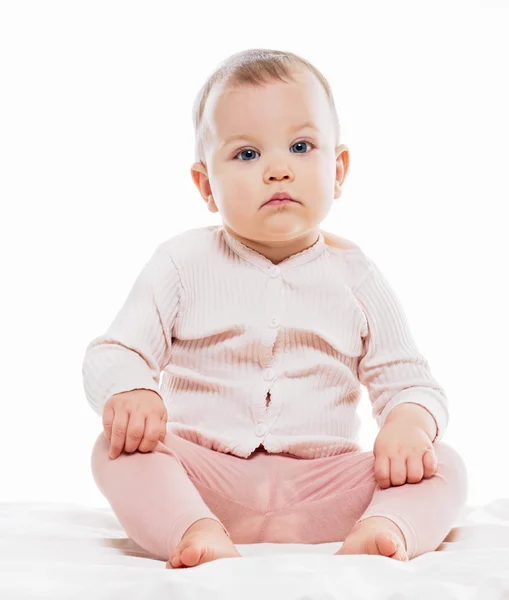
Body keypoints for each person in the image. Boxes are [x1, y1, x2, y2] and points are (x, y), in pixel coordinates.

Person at [84, 48, 468, 570]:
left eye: (301, 146)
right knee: (116, 449)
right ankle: (191, 530)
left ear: (338, 170)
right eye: (247, 155)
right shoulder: (181, 263)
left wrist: (409, 422)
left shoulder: (355, 276)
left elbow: (410, 380)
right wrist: (130, 388)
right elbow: (115, 351)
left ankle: (383, 528)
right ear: (206, 186)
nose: (278, 170)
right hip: (204, 478)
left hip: (322, 485)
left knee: (442, 464)